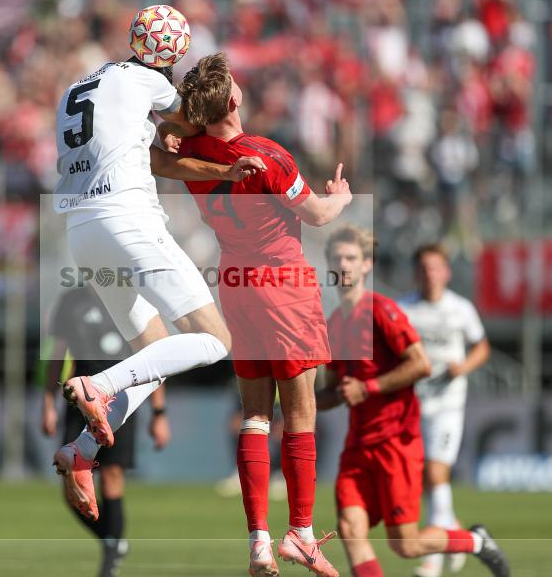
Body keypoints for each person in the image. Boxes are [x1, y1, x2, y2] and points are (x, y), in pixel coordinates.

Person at [51, 5, 266, 521]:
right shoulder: (146, 81)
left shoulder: (80, 89)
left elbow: (156, 147)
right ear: (167, 59)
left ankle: (80, 451)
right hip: (128, 221)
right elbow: (200, 117)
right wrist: (218, 113)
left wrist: (175, 140)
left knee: (155, 355)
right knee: (216, 339)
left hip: (82, 233)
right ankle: (97, 386)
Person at [171, 52, 351, 577]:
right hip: (282, 285)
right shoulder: (267, 155)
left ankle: (258, 543)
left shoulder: (193, 152)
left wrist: (184, 122)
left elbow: (165, 144)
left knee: (254, 414)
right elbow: (316, 215)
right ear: (234, 99)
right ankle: (299, 532)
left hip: (234, 282)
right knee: (299, 414)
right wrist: (338, 197)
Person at [316, 225, 509, 577]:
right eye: (337, 259)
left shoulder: (382, 310)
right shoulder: (334, 324)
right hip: (358, 447)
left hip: (396, 443)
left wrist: (368, 388)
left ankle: (475, 541)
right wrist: (303, 403)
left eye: (351, 258)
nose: (343, 265)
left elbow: (420, 364)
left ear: (367, 266)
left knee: (405, 545)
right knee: (349, 528)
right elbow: (334, 391)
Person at [42, 286, 171, 577]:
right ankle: (113, 541)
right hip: (78, 399)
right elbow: (57, 354)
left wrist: (159, 414)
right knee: (70, 480)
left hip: (120, 401)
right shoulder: (71, 301)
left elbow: (155, 359)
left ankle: (110, 561)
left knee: (112, 477)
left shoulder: (131, 298)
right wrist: (48, 402)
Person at [398, 244, 491, 577]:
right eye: (423, 267)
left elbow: (482, 346)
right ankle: (454, 530)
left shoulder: (461, 308)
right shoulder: (403, 308)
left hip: (448, 404)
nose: (430, 274)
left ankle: (432, 558)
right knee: (423, 477)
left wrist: (463, 367)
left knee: (437, 473)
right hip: (411, 404)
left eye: (435, 267)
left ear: (447, 272)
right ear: (416, 272)